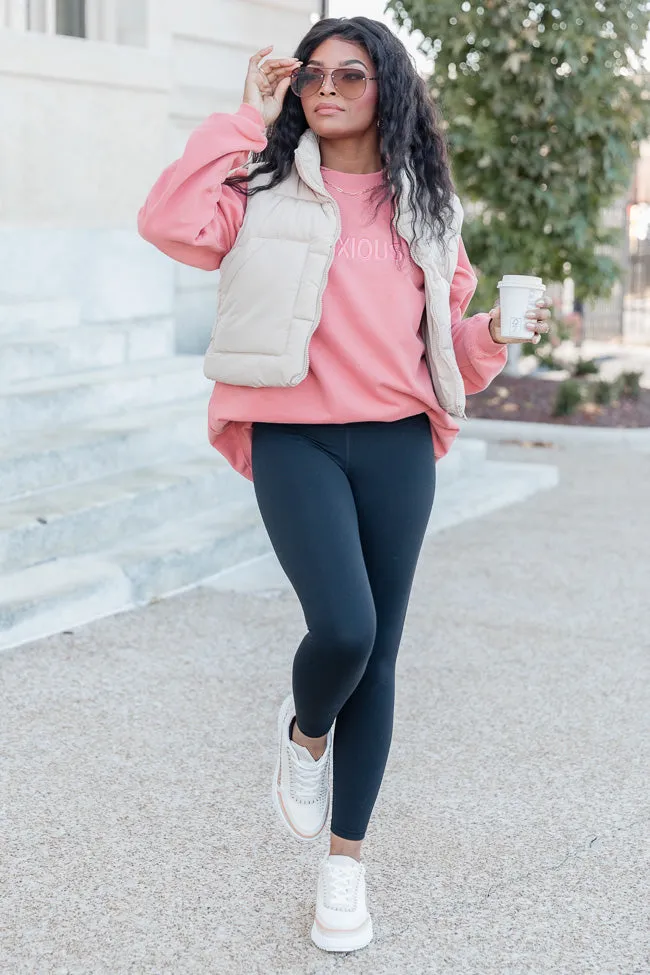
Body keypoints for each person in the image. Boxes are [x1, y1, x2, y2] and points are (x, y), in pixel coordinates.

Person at [137, 15, 552, 954]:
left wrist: (496, 334)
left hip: (399, 438)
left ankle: (344, 870)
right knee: (346, 629)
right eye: (311, 76)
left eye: (349, 75)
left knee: (385, 653)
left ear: (386, 88)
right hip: (294, 435)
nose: (325, 89)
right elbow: (168, 224)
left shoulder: (427, 207)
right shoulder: (262, 183)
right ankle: (305, 734)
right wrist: (245, 119)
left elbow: (447, 347)